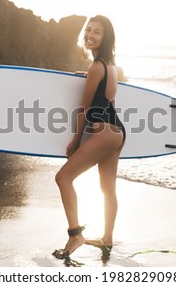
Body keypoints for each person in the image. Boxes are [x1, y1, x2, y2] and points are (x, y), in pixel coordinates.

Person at [52, 15, 126, 260]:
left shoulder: (97, 68)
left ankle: (75, 234)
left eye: (97, 32)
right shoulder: (111, 66)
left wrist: (75, 141)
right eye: (89, 30)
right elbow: (107, 98)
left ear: (105, 38)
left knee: (63, 177)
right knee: (107, 189)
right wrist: (88, 75)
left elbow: (84, 108)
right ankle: (107, 238)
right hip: (117, 132)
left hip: (103, 133)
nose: (90, 35)